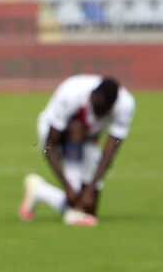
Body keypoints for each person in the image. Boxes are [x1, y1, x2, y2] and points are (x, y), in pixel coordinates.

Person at [18, 75, 135, 227]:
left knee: (89, 209)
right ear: (92, 96)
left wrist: (91, 188)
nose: (99, 116)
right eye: (97, 109)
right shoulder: (71, 94)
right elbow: (49, 145)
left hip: (89, 137)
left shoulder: (126, 105)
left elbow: (110, 152)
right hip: (53, 132)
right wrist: (68, 187)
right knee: (76, 129)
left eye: (104, 112)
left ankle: (40, 190)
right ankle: (73, 209)